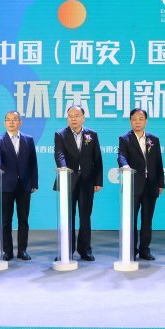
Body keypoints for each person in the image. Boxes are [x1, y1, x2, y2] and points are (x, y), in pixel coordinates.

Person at [53, 104, 103, 261]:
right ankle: (66, 250)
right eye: (70, 116)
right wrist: (63, 169)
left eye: (76, 116)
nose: (73, 119)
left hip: (87, 181)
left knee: (85, 217)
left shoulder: (92, 135)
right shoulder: (60, 134)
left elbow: (97, 158)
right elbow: (59, 154)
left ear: (83, 118)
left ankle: (85, 250)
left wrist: (98, 180)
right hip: (68, 180)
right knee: (67, 217)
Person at [117, 108, 165, 260]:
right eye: (134, 119)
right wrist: (125, 166)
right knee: (131, 219)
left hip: (151, 185)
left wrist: (161, 183)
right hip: (133, 185)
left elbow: (158, 162)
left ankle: (145, 250)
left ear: (146, 121)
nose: (137, 122)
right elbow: (121, 156)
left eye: (141, 119)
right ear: (130, 121)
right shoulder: (125, 138)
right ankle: (131, 250)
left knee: (147, 219)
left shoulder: (154, 139)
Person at [0, 111, 38, 261]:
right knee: (6, 220)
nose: (11, 122)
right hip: (6, 185)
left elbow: (33, 162)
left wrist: (34, 183)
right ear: (4, 123)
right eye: (8, 120)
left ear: (20, 122)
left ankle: (22, 250)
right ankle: (8, 251)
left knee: (23, 219)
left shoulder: (28, 140)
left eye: (14, 119)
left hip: (24, 185)